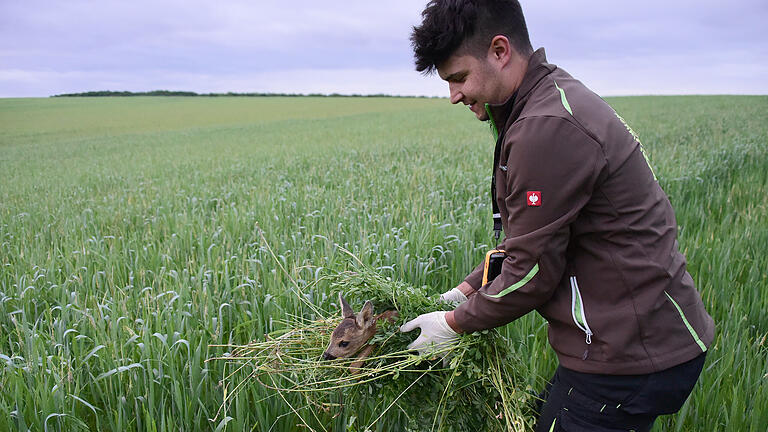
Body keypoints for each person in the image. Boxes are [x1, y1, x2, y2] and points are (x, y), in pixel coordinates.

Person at [398, 1, 715, 430]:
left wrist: (453, 324)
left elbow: (532, 273)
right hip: (633, 340)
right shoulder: (544, 101)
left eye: (458, 78)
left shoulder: (545, 126)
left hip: (630, 355)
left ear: (499, 51)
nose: (453, 95)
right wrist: (466, 289)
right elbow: (530, 237)